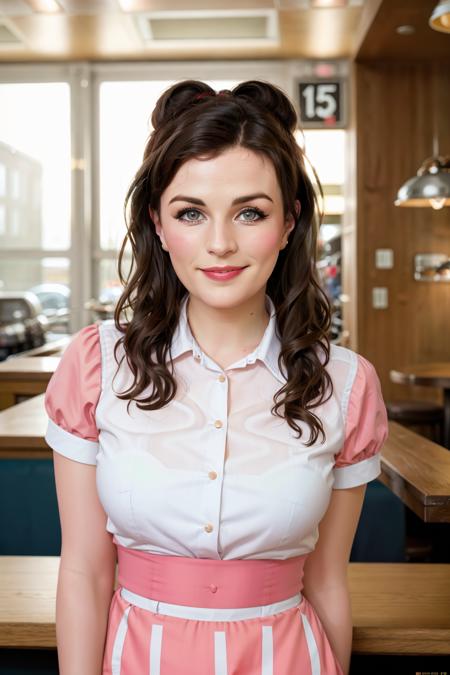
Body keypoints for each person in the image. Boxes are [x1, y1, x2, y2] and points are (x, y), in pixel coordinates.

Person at [44, 79, 389, 675]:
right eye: (191, 213)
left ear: (289, 223)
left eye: (250, 212)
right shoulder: (97, 366)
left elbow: (329, 581)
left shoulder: (345, 383)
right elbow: (84, 570)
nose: (221, 243)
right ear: (157, 221)